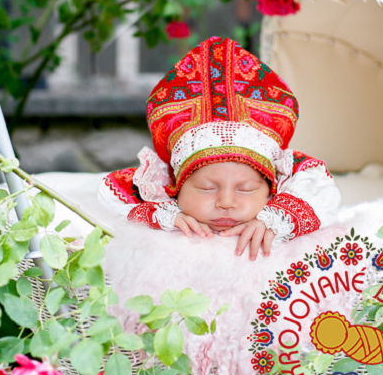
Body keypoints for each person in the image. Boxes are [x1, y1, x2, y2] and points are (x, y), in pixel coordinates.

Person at [98, 37, 341, 260]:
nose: (226, 202)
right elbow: (113, 195)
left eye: (246, 190)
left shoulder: (281, 212)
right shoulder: (159, 199)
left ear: (271, 189)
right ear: (175, 187)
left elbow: (321, 192)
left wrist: (276, 220)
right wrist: (165, 216)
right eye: (205, 188)